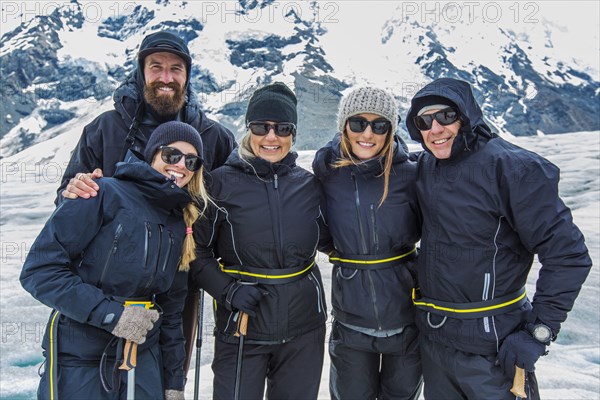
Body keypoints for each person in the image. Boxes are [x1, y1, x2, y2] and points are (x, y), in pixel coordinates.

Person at [56, 30, 236, 376]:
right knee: (97, 375)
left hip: (178, 280)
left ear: (187, 76)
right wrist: (74, 189)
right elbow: (67, 197)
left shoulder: (213, 137)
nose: (166, 78)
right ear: (141, 72)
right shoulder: (106, 129)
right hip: (104, 280)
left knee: (168, 374)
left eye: (176, 69)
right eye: (156, 67)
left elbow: (235, 204)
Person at [405, 77, 592, 399]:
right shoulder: (425, 167)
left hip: (494, 346)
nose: (435, 128)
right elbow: (378, 161)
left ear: (467, 116)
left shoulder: (513, 168)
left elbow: (568, 255)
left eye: (446, 116)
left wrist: (539, 331)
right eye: (424, 121)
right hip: (436, 344)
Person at [21, 121, 210, 400]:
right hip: (82, 356)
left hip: (142, 358)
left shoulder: (178, 221)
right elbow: (40, 271)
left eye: (191, 161)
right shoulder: (102, 193)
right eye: (172, 155)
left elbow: (171, 312)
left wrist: (173, 383)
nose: (180, 165)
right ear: (153, 154)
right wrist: (112, 315)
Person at [190, 82, 329, 399]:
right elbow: (196, 253)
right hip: (242, 326)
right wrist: (228, 290)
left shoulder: (308, 185)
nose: (271, 137)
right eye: (261, 126)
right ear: (248, 128)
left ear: (293, 133)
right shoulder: (218, 183)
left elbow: (336, 238)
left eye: (282, 128)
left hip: (304, 329)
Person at [312, 87, 423, 400]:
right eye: (358, 123)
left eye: (380, 125)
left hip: (406, 319)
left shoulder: (411, 174)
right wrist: (348, 253)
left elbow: (438, 229)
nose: (368, 133)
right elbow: (317, 226)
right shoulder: (328, 171)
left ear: (391, 130)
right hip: (351, 322)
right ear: (344, 125)